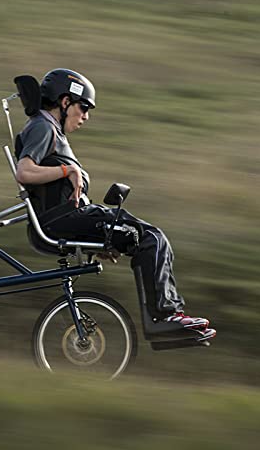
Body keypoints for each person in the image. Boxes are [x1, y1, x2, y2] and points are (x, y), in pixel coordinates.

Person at [14, 69, 215, 341]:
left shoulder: (48, 129)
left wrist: (95, 239)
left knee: (146, 237)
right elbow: (24, 172)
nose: (86, 116)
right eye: (83, 107)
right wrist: (67, 171)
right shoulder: (43, 127)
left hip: (66, 218)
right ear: (65, 102)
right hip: (61, 219)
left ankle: (165, 319)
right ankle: (164, 318)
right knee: (149, 238)